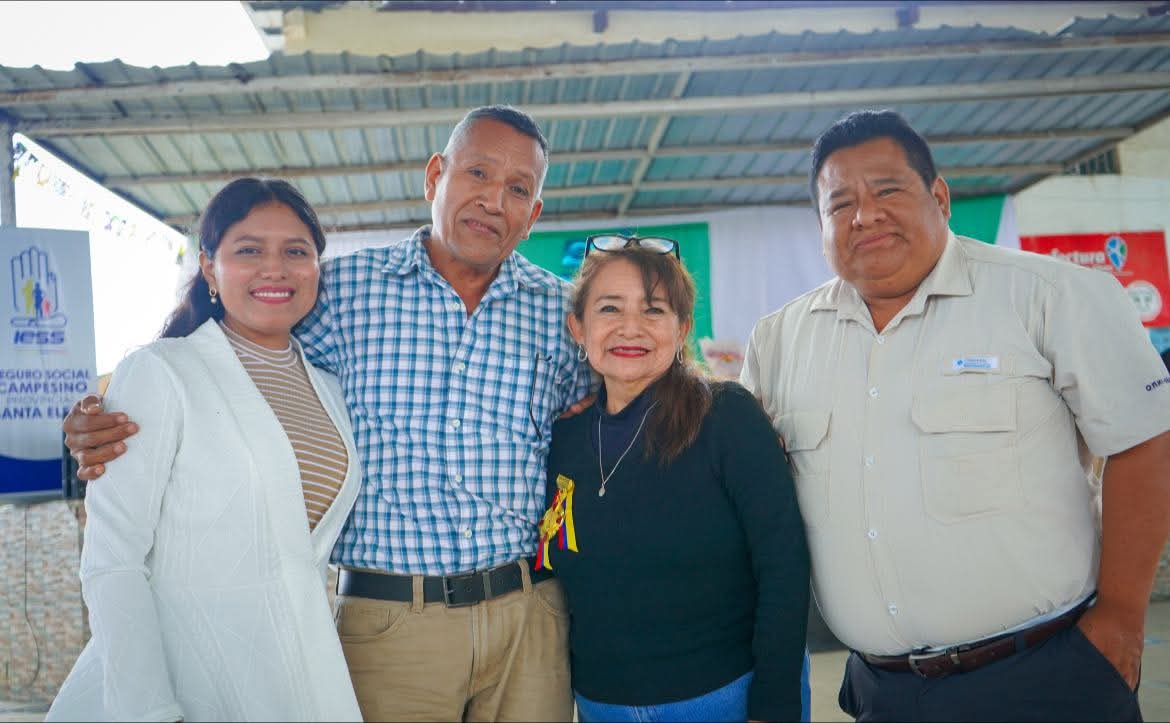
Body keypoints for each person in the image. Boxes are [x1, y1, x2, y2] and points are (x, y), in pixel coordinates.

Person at [62, 105, 593, 722]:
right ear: (435, 176)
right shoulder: (339, 291)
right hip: (390, 623)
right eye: (477, 173)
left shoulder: (565, 315)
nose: (493, 201)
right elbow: (225, 358)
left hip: (529, 616)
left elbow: (626, 408)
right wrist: (101, 416)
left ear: (534, 214)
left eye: (518, 189)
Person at [740, 109, 1170, 722]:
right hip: (883, 692)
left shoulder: (1049, 296)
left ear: (938, 197)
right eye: (840, 204)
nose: (865, 215)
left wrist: (1122, 617)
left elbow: (1145, 442)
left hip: (1047, 676)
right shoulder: (779, 340)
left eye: (887, 190)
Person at [47, 178, 363, 721]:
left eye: (296, 251)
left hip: (293, 682)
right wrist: (151, 711)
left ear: (317, 267)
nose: (274, 268)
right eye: (248, 251)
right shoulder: (161, 372)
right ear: (210, 268)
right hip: (180, 682)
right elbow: (113, 562)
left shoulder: (330, 390)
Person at [541, 236, 810, 722]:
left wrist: (773, 704)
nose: (630, 327)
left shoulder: (726, 417)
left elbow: (783, 566)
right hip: (602, 706)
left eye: (654, 310)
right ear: (577, 327)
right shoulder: (563, 440)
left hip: (724, 696)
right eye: (609, 308)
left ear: (682, 327)